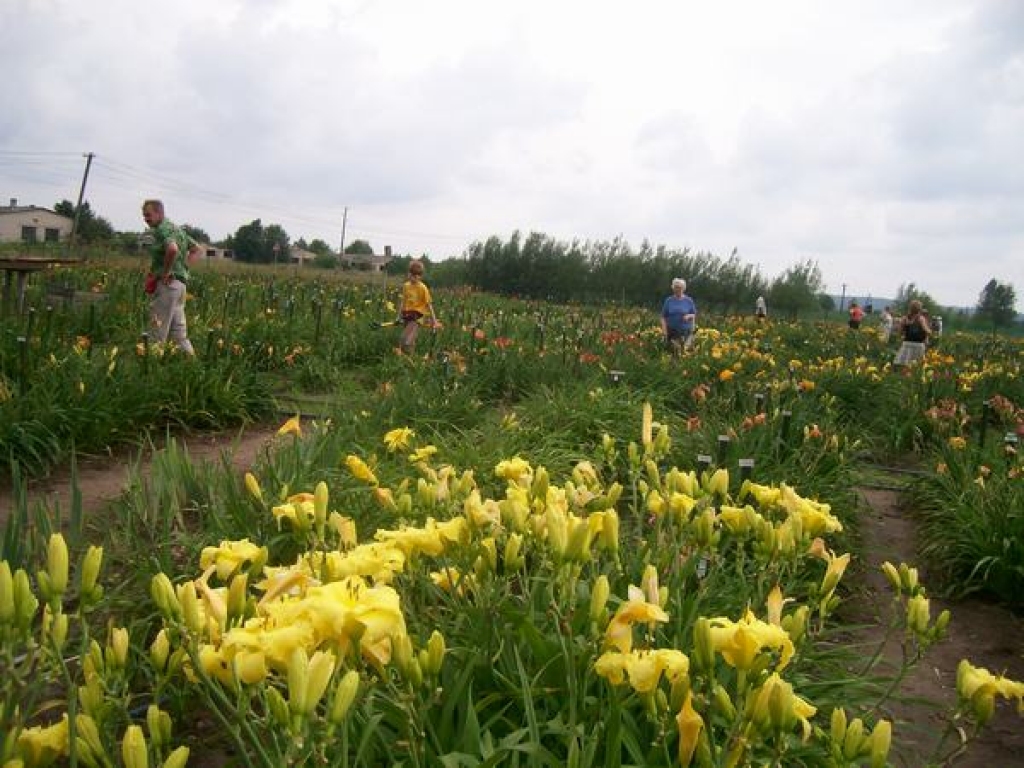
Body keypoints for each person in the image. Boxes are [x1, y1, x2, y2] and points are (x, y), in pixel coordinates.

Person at [141, 199, 198, 354]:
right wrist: (185, 268)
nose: (145, 219)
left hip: (168, 285)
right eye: (144, 215)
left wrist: (166, 272)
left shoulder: (161, 229)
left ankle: (150, 368)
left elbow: (172, 249)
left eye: (148, 215)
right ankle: (191, 366)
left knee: (157, 329)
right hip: (180, 286)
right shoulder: (178, 230)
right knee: (179, 334)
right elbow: (195, 249)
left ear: (159, 213)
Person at [399, 260, 438, 354]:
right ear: (409, 274)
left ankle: (407, 359)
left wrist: (434, 321)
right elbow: (403, 301)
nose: (414, 278)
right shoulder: (406, 286)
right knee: (410, 342)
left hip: (417, 317)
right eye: (412, 275)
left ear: (420, 276)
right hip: (407, 315)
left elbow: (429, 304)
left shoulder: (423, 288)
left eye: (417, 276)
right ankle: (410, 360)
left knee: (405, 340)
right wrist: (399, 316)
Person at [661, 278, 697, 354]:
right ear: (673, 288)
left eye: (680, 287)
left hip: (686, 332)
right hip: (672, 331)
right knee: (674, 352)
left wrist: (688, 316)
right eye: (676, 287)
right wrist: (664, 332)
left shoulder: (689, 300)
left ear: (684, 288)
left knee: (684, 352)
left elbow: (694, 314)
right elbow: (663, 317)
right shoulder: (668, 300)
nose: (677, 289)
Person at [894, 299, 931, 366]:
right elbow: (927, 331)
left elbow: (899, 332)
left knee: (903, 365)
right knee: (917, 367)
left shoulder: (905, 318)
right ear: (919, 309)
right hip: (918, 345)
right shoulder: (921, 318)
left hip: (907, 344)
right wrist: (930, 330)